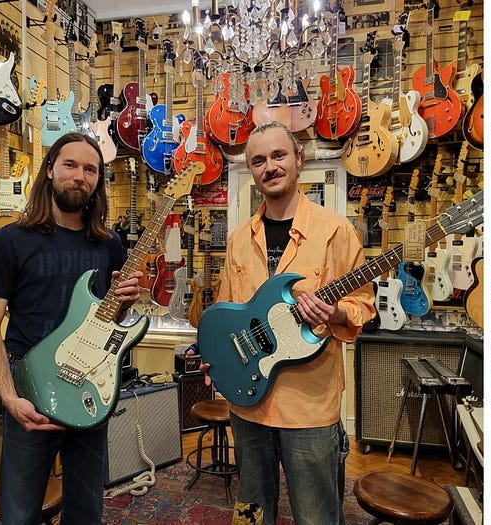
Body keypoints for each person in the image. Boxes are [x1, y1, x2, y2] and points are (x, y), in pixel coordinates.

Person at [200, 121, 375, 524]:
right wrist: (216, 355)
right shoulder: (239, 238)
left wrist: (334, 314)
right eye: (258, 160)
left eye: (279, 155)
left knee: (316, 516)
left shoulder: (335, 231)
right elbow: (226, 310)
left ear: (299, 159)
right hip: (247, 404)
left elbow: (363, 305)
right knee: (251, 512)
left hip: (309, 408)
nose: (269, 167)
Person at [0, 132, 143, 524]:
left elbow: (105, 325)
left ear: (98, 180)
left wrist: (124, 306)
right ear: (50, 170)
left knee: (87, 512)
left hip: (88, 385)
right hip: (29, 387)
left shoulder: (109, 244)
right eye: (70, 165)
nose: (80, 176)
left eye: (91, 169)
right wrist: (8, 397)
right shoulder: (11, 241)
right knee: (18, 514)